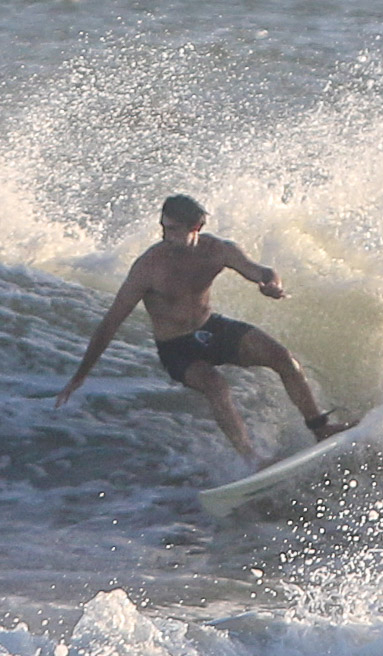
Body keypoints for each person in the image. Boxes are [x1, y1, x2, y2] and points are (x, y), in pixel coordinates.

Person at [55, 194, 354, 466]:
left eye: (173, 229)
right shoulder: (148, 267)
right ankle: (252, 458)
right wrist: (80, 375)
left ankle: (320, 428)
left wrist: (271, 284)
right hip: (176, 349)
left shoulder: (217, 251)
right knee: (216, 386)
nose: (165, 236)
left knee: (283, 358)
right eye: (163, 227)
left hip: (209, 328)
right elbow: (111, 323)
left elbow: (259, 271)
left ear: (195, 227)